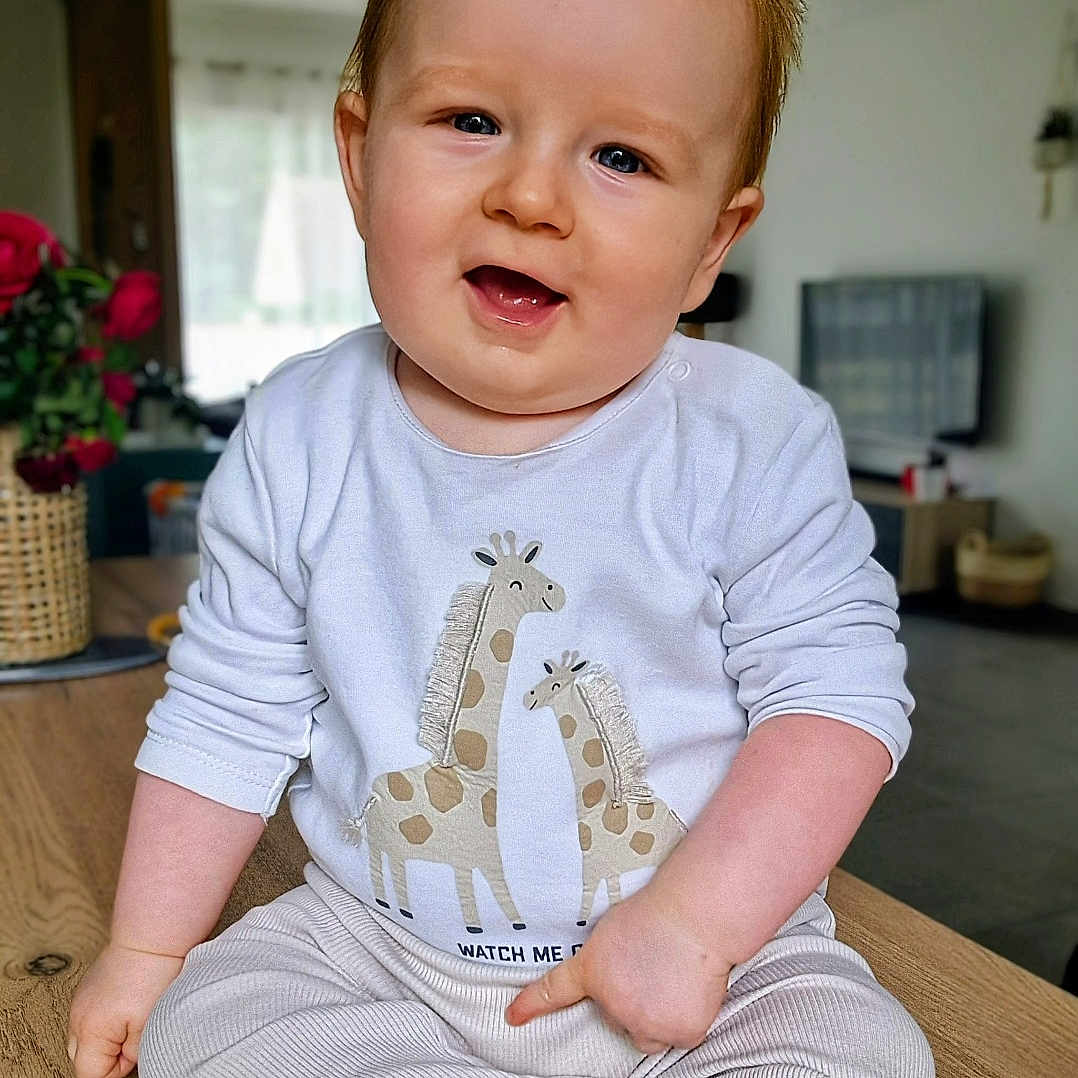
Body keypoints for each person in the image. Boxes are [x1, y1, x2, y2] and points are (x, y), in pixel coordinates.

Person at [66, 0, 936, 1075]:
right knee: (209, 1014)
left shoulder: (748, 436)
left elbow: (834, 699)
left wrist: (697, 925)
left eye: (620, 154)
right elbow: (226, 710)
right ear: (358, 155)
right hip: (371, 950)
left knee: (855, 1046)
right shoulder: (298, 430)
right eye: (471, 119)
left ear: (712, 239)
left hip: (716, 964)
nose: (529, 197)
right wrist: (147, 950)